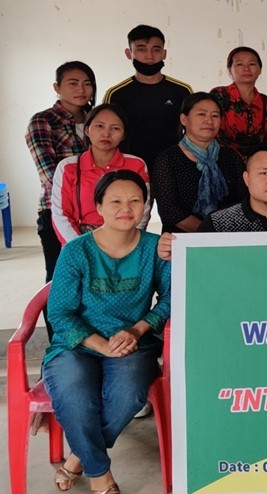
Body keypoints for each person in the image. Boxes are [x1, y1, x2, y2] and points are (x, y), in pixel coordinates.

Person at [44, 170, 170, 494]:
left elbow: (173, 298)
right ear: (98, 206)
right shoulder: (77, 251)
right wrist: (100, 344)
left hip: (133, 344)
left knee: (128, 394)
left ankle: (78, 457)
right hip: (77, 345)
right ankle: (101, 475)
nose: (125, 208)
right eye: (115, 201)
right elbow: (59, 312)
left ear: (146, 206)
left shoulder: (156, 249)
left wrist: (139, 328)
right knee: (73, 391)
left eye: (135, 201)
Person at [156, 142, 267, 260]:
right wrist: (174, 251)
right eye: (264, 173)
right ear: (247, 179)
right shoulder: (217, 224)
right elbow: (200, 272)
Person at [26, 61, 96, 338]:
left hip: (99, 216)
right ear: (57, 87)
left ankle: (92, 339)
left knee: (94, 279)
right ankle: (59, 341)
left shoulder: (97, 119)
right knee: (60, 278)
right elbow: (50, 174)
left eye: (87, 83)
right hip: (58, 213)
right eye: (73, 83)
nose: (82, 89)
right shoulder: (43, 121)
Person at [51, 104, 151, 245]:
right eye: (99, 126)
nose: (106, 133)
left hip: (126, 239)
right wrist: (80, 247)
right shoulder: (68, 167)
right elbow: (60, 214)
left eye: (115, 128)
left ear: (123, 135)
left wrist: (127, 243)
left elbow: (143, 208)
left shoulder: (136, 164)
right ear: (86, 130)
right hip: (80, 241)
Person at [103, 24, 192, 175]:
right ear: (128, 53)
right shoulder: (116, 94)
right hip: (129, 167)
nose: (149, 56)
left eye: (156, 50)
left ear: (164, 53)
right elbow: (106, 134)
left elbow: (192, 131)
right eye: (141, 49)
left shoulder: (182, 91)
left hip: (173, 166)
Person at [153, 92, 247, 233]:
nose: (209, 121)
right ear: (184, 119)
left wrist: (224, 235)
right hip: (182, 243)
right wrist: (209, 234)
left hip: (229, 240)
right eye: (202, 114)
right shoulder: (168, 158)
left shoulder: (231, 156)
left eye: (215, 115)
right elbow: (169, 210)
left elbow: (244, 202)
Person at [210, 46, 267, 158]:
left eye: (252, 64)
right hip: (221, 160)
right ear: (230, 70)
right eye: (239, 64)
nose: (246, 69)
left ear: (260, 69)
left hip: (259, 163)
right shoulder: (219, 95)